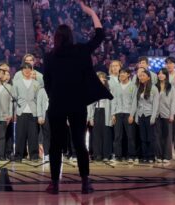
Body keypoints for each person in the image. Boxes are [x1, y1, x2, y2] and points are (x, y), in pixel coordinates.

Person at [43, 0, 113, 194]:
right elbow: (100, 36)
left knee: (55, 145)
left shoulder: (49, 57)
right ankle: (84, 182)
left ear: (56, 38)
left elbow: (46, 82)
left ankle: (54, 184)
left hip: (57, 104)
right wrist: (90, 12)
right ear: (71, 37)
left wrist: (54, 97)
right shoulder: (80, 51)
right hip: (76, 105)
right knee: (80, 143)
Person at [13, 63, 41, 162]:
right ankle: (19, 155)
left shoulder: (36, 83)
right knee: (20, 135)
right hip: (21, 111)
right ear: (21, 70)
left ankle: (34, 155)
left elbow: (38, 100)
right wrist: (14, 113)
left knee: (33, 135)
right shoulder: (16, 82)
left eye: (29, 68)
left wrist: (39, 114)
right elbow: (14, 99)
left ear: (31, 70)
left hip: (33, 112)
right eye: (25, 68)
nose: (27, 70)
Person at [132, 70, 159, 164]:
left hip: (149, 115)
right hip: (140, 115)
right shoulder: (139, 88)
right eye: (140, 76)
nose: (141, 77)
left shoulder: (154, 88)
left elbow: (156, 104)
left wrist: (153, 116)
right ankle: (144, 156)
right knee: (143, 137)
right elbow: (136, 103)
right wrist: (136, 116)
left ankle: (151, 156)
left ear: (148, 77)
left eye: (143, 76)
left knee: (150, 137)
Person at [111, 68, 137, 163]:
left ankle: (131, 156)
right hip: (118, 113)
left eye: (123, 73)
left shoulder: (133, 86)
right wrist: (113, 114)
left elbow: (134, 101)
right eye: (120, 73)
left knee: (130, 136)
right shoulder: (116, 87)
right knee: (117, 136)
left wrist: (132, 114)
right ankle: (118, 156)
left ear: (128, 74)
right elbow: (113, 100)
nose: (121, 75)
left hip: (128, 113)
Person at [88, 72, 113, 162]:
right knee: (96, 134)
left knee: (106, 134)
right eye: (99, 78)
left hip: (105, 112)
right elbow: (91, 105)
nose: (101, 79)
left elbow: (112, 104)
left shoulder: (109, 90)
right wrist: (91, 117)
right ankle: (97, 154)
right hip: (96, 112)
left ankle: (106, 154)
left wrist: (112, 115)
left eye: (102, 78)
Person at [154, 68, 175, 164]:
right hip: (156, 114)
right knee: (157, 135)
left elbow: (173, 102)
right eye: (159, 73)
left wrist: (172, 115)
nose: (160, 75)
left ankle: (167, 156)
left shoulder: (170, 87)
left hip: (167, 114)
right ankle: (158, 155)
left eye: (162, 73)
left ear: (166, 75)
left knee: (167, 135)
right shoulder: (155, 87)